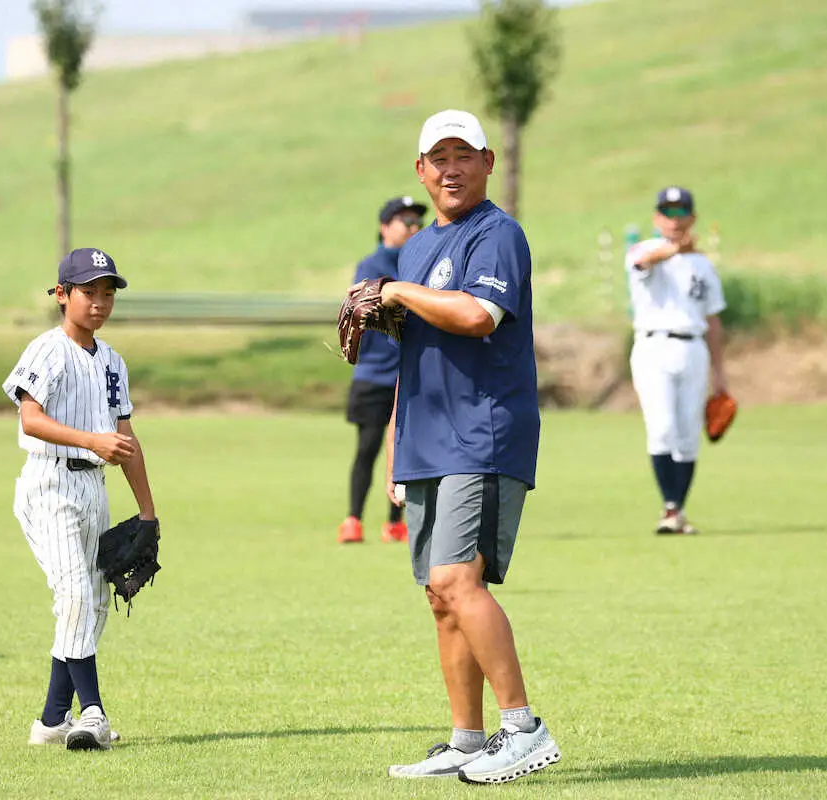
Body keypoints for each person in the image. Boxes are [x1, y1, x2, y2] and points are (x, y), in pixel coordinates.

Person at [375, 109, 561, 784]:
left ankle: (524, 728)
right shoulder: (417, 247)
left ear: (486, 162)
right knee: (438, 592)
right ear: (420, 171)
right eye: (438, 158)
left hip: (482, 431)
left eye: (464, 155)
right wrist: (399, 445)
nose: (451, 168)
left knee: (459, 579)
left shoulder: (499, 234)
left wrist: (397, 290)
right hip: (427, 434)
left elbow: (478, 315)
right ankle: (468, 738)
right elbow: (409, 351)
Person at [3, 247, 159, 750]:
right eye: (88, 292)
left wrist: (149, 514)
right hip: (49, 485)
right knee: (74, 595)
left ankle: (52, 720)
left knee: (91, 605)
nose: (99, 302)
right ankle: (92, 713)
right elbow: (30, 418)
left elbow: (127, 442)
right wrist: (92, 441)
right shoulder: (46, 350)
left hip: (94, 488)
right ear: (62, 295)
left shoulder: (113, 362)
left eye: (107, 293)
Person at [625, 187, 728, 534]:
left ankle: (677, 510)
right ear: (656, 218)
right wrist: (673, 250)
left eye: (681, 211)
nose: (674, 218)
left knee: (687, 434)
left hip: (693, 347)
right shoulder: (643, 250)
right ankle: (670, 508)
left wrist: (721, 373)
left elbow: (713, 320)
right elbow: (642, 264)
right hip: (653, 348)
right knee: (662, 427)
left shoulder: (702, 265)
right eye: (667, 212)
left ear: (692, 217)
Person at [338, 195, 427, 545]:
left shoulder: (419, 262)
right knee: (368, 448)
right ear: (384, 227)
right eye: (405, 221)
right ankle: (353, 519)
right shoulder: (371, 265)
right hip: (374, 375)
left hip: (408, 375)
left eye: (416, 222)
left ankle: (396, 522)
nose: (413, 227)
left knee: (406, 449)